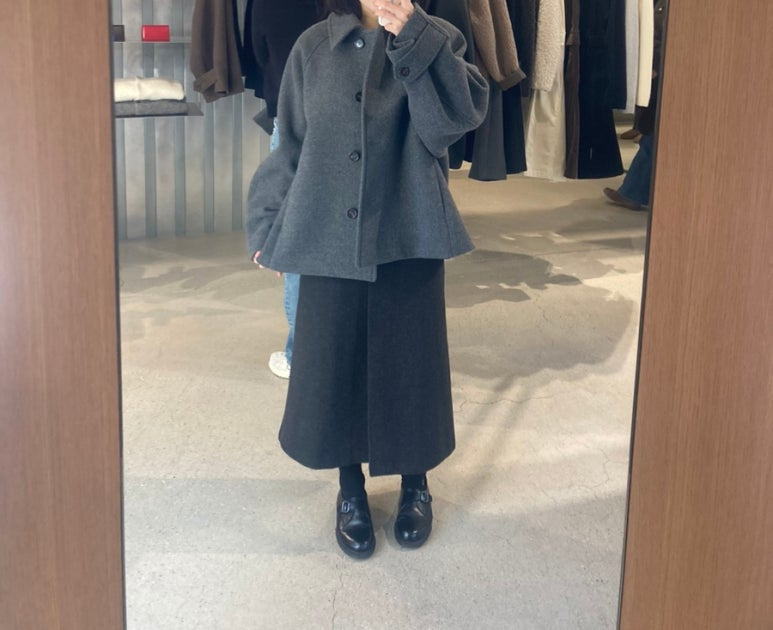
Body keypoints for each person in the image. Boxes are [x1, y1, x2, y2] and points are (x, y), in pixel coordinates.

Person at [246, 0, 488, 558]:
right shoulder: (312, 48)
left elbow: (450, 125)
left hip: (410, 229)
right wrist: (268, 220)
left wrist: (415, 37)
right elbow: (291, 142)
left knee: (411, 365)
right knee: (335, 364)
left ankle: (415, 483)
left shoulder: (440, 37)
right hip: (326, 231)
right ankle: (349, 487)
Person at [248, 0, 323, 379]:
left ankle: (299, 355)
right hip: (346, 114)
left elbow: (258, 49)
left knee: (296, 236)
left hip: (289, 110)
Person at [604, 0, 667, 212]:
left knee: (654, 135)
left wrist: (654, 64)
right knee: (653, 134)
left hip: (662, 72)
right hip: (663, 69)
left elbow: (659, 34)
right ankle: (634, 191)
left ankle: (633, 192)